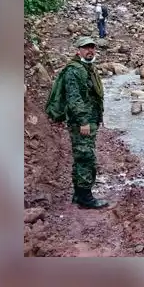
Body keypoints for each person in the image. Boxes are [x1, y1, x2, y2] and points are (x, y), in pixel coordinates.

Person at [50, 36, 108, 209]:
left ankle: (78, 194)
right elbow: (74, 99)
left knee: (81, 156)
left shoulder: (87, 67)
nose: (90, 51)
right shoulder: (74, 71)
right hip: (81, 122)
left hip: (89, 120)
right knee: (86, 157)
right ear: (78, 50)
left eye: (92, 48)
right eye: (86, 48)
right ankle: (86, 197)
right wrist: (83, 121)